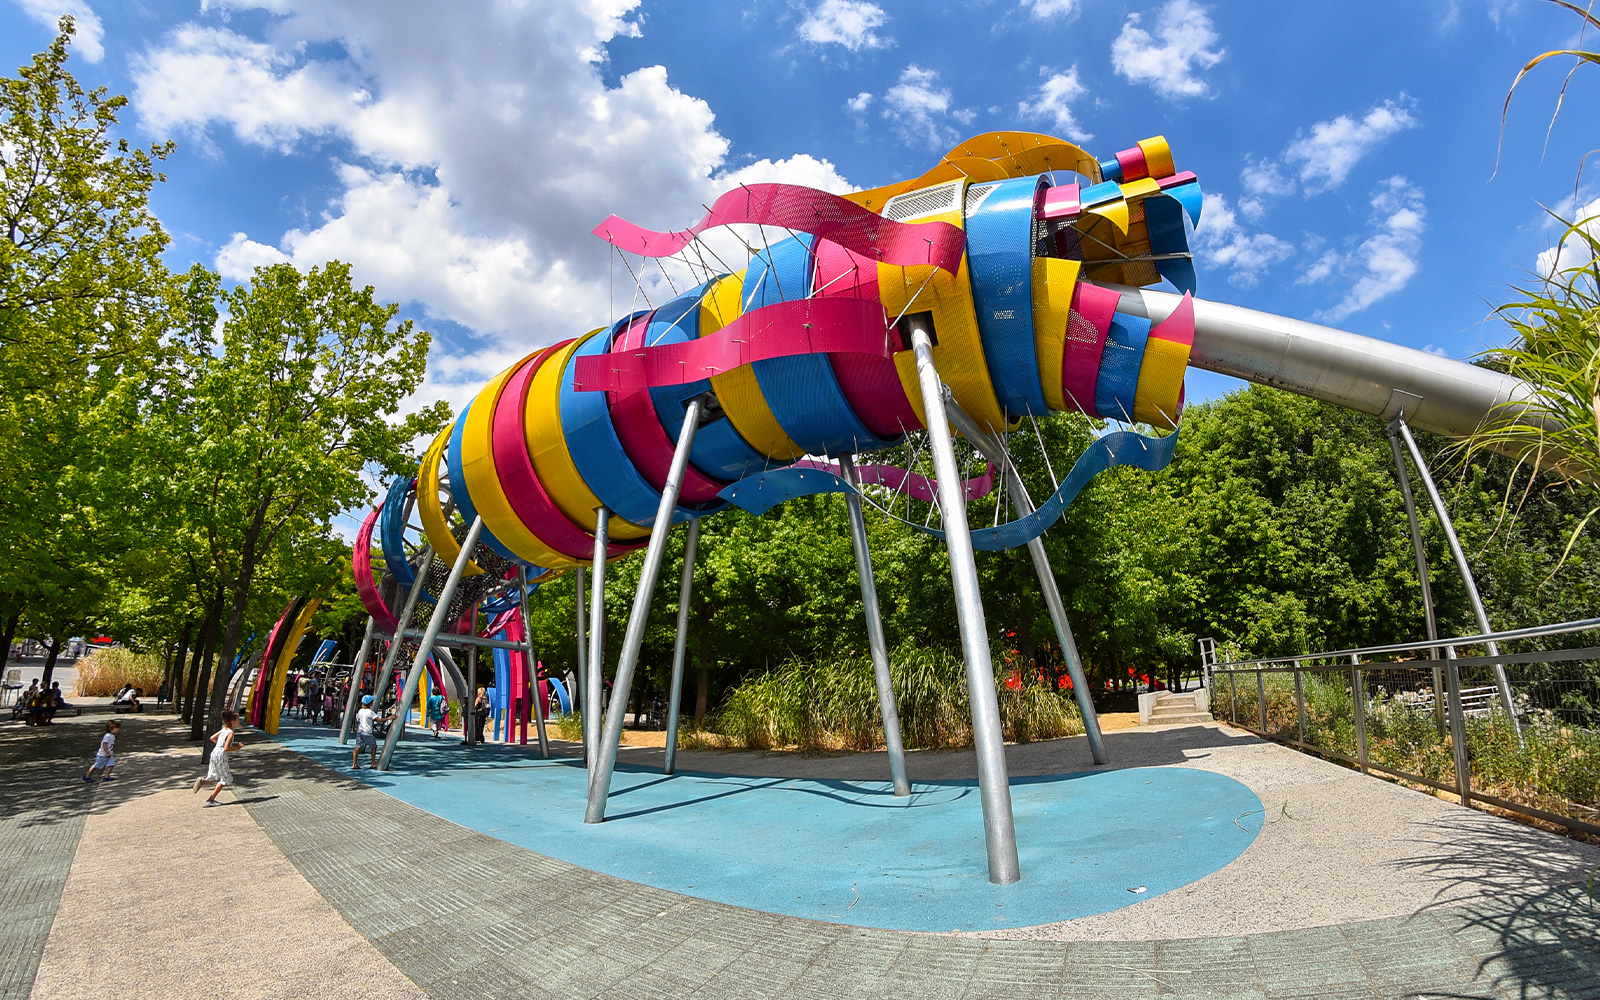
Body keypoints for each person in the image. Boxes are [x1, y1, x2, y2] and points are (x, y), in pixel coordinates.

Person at [193, 710, 242, 804]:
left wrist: (219, 745)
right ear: (232, 721)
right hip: (221, 756)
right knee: (224, 779)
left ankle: (203, 782)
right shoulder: (231, 733)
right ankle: (210, 800)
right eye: (237, 719)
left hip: (215, 752)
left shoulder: (223, 729)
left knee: (216, 775)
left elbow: (212, 737)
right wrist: (237, 748)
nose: (238, 721)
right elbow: (227, 748)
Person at [352, 695, 381, 769]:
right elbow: (379, 720)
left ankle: (354, 764)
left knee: (357, 747)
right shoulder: (370, 712)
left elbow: (358, 718)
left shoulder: (360, 711)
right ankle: (373, 763)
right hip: (367, 732)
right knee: (374, 746)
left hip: (360, 731)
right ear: (370, 703)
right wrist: (390, 717)